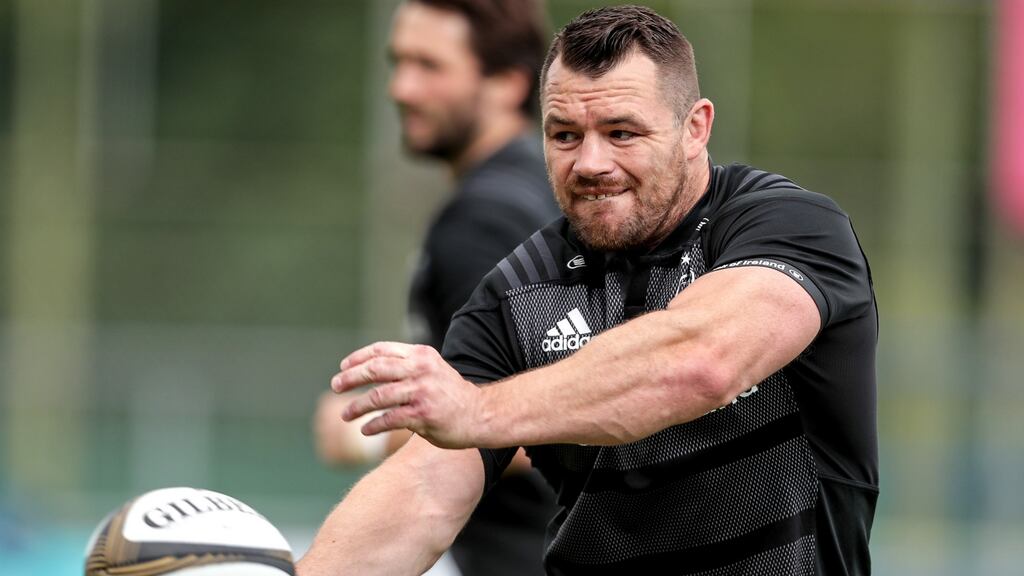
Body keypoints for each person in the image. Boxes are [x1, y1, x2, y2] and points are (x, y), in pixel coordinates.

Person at [300, 5, 878, 575]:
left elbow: (699, 362)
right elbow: (423, 492)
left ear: (695, 127)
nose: (590, 162)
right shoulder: (515, 293)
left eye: (621, 132)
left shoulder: (788, 227)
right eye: (565, 135)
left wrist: (480, 408)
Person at [311, 1, 559, 575]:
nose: (401, 87)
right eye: (398, 62)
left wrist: (371, 435)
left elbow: (551, 413)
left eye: (430, 65)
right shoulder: (538, 194)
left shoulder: (485, 219)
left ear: (507, 82)